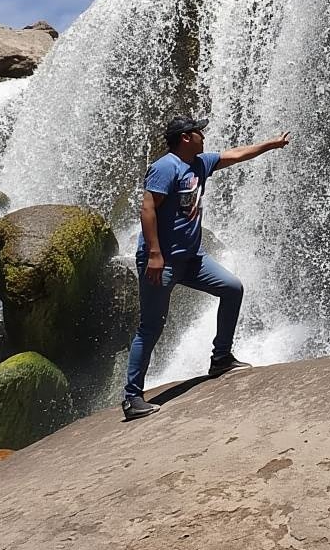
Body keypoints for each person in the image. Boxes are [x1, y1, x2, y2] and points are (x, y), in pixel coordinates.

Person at [121, 115, 290, 420]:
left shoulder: (201, 163)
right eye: (199, 132)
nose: (204, 136)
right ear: (186, 137)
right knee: (151, 327)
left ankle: (221, 358)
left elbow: (236, 154)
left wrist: (271, 144)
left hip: (192, 259)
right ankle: (132, 398)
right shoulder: (165, 167)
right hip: (162, 261)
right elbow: (147, 209)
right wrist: (156, 254)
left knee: (232, 288)